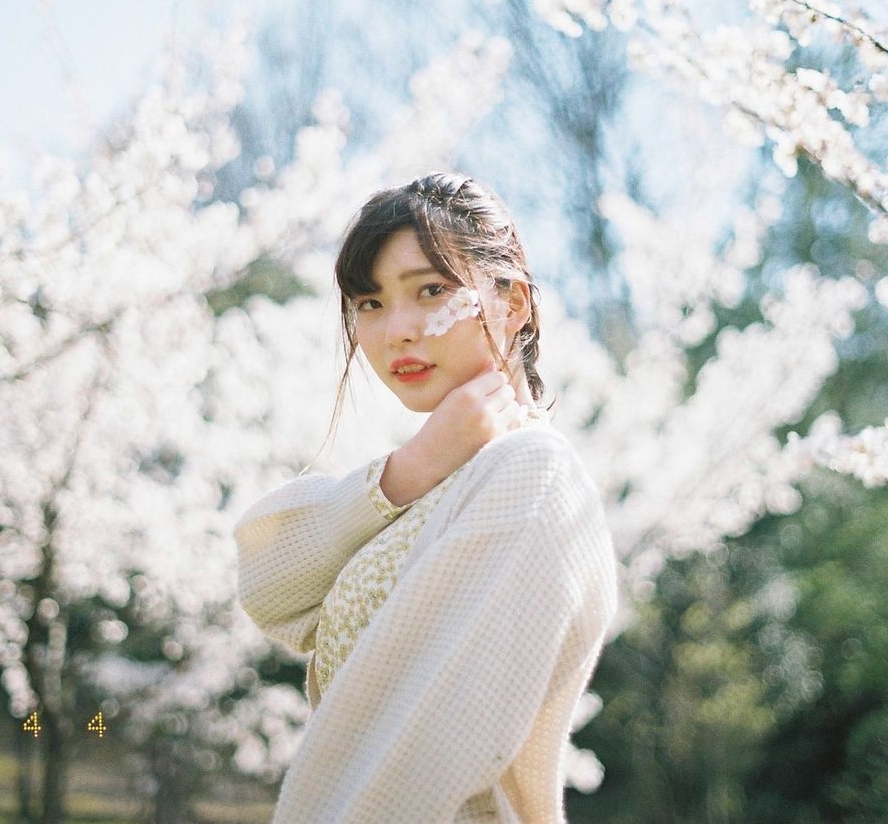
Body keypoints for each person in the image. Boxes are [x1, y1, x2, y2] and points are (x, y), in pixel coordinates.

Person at [233, 172, 618, 822]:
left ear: (514, 303)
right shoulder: (436, 481)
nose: (397, 331)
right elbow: (267, 583)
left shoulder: (531, 473)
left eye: (431, 290)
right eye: (370, 302)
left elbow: (410, 768)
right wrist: (409, 470)